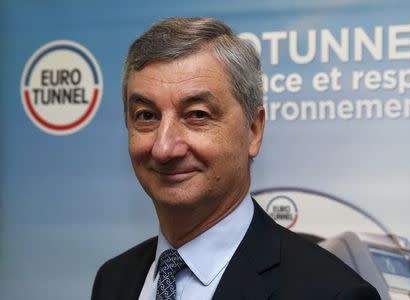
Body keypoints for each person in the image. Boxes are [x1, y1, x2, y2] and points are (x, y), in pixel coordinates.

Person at [91, 17, 381, 300]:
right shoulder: (114, 280)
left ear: (253, 131)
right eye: (146, 116)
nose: (164, 148)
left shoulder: (333, 293)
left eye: (197, 115)